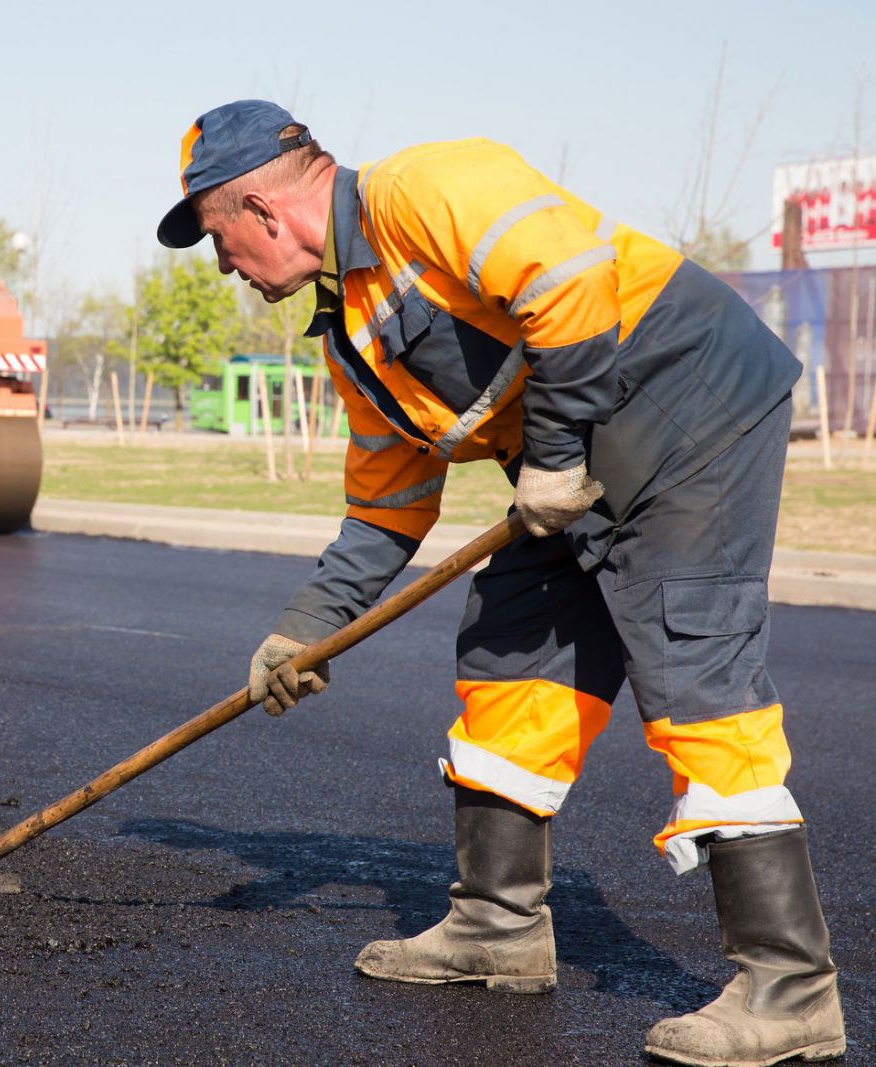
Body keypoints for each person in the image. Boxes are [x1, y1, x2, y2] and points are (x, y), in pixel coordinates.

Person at [157, 99, 843, 1067]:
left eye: (217, 239)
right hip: (569, 464)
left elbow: (566, 283)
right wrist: (301, 629)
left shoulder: (421, 189)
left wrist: (554, 455)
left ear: (263, 212)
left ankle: (790, 986)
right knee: (510, 645)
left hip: (686, 401)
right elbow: (386, 509)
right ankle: (496, 923)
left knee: (694, 668)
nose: (222, 265)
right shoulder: (351, 332)